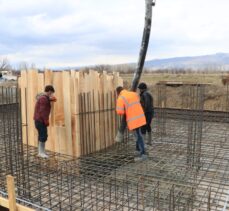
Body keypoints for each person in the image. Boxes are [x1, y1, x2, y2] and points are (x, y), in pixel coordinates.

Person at [115, 86, 147, 161]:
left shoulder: (121, 98)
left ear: (118, 92)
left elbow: (120, 112)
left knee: (138, 137)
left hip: (133, 120)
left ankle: (143, 154)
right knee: (139, 135)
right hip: (140, 117)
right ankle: (141, 151)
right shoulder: (133, 94)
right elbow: (137, 101)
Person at [34, 85, 57, 158]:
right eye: (52, 93)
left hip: (38, 120)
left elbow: (44, 100)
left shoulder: (43, 97)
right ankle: (41, 153)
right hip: (40, 120)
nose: (52, 94)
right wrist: (45, 120)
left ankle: (41, 152)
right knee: (43, 136)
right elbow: (42, 111)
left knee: (42, 135)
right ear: (49, 91)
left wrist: (50, 99)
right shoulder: (43, 99)